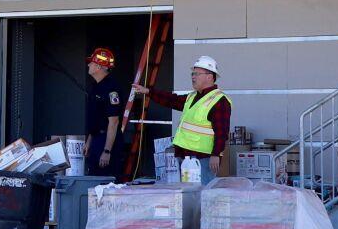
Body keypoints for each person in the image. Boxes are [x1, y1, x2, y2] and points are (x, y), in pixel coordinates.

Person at [132, 56, 231, 185]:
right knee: (188, 194)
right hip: (185, 156)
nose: (193, 77)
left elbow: (222, 132)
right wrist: (149, 92)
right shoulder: (193, 97)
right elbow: (172, 100)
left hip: (203, 158)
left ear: (210, 76)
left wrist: (216, 154)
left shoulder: (219, 101)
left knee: (202, 194)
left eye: (197, 74)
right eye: (192, 73)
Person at [83, 47, 125, 180]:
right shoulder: (95, 87)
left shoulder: (111, 89)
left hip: (107, 141)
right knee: (92, 181)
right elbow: (94, 119)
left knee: (107, 183)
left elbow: (114, 122)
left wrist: (107, 151)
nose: (88, 65)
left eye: (91, 63)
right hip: (96, 140)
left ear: (99, 67)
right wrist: (89, 141)